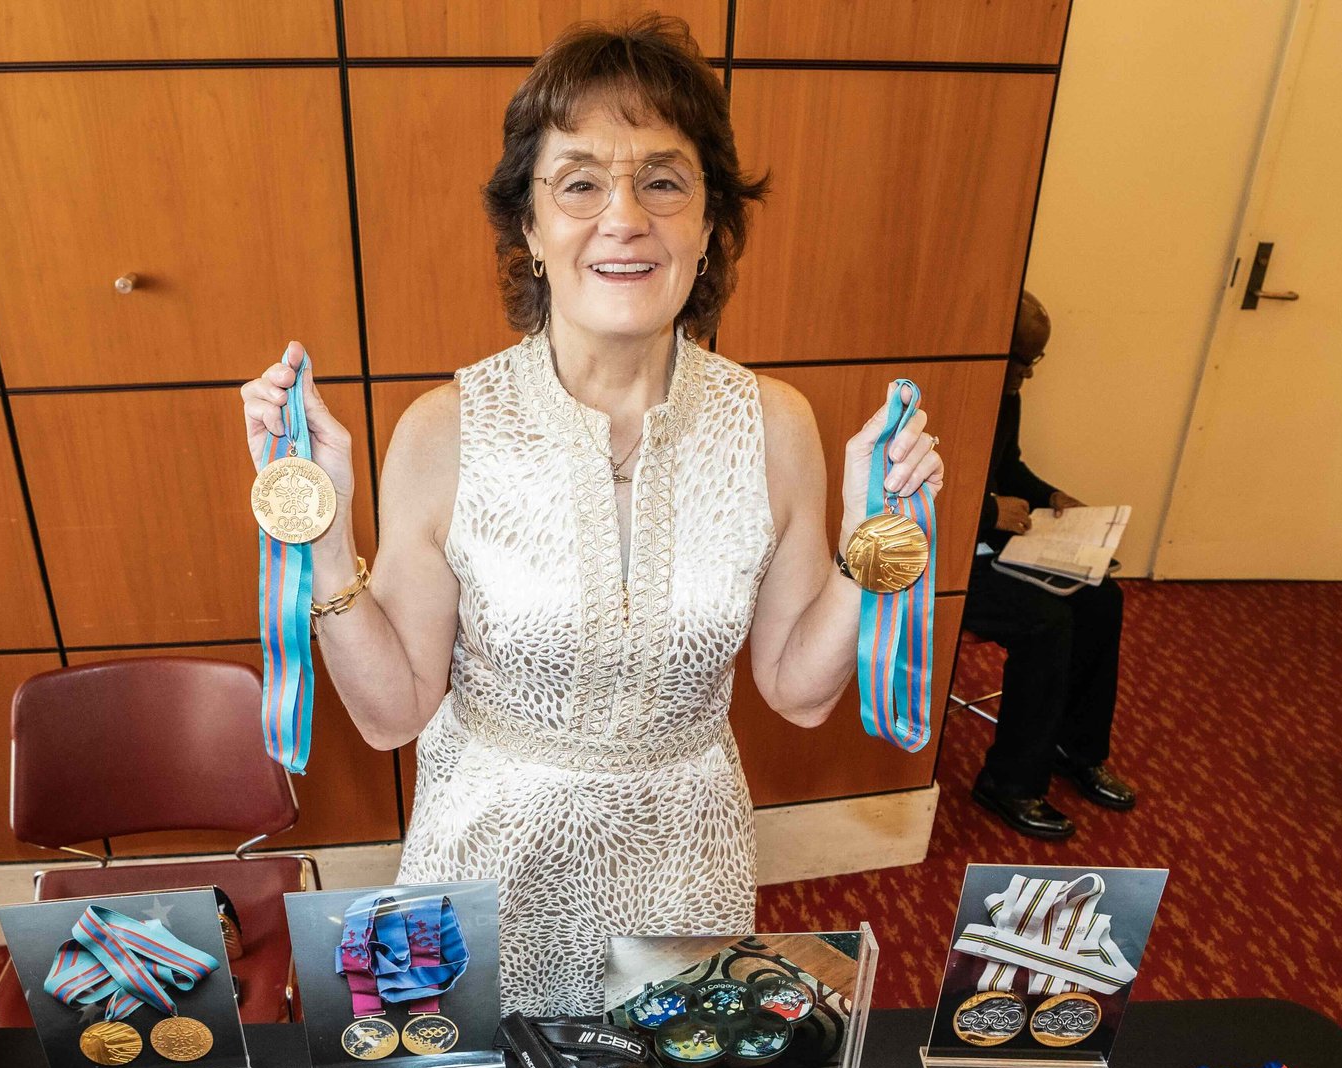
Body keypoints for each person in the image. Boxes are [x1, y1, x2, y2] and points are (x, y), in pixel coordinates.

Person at [241, 17, 947, 1016]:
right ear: (529, 227)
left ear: (709, 227)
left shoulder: (775, 424)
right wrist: (323, 538)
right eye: (578, 183)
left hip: (682, 857)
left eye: (663, 180)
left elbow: (799, 692)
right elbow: (393, 710)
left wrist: (880, 541)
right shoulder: (445, 428)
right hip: (484, 854)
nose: (623, 216)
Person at [962, 292, 1140, 841]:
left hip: (993, 545)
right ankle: (1010, 781)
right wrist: (992, 510)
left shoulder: (1006, 390)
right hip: (939, 563)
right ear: (993, 350)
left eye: (1035, 362)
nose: (1028, 375)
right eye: (1023, 360)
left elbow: (1005, 465)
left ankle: (1074, 747)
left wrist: (1051, 496)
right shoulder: (951, 388)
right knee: (1046, 621)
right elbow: (904, 493)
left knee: (1101, 597)